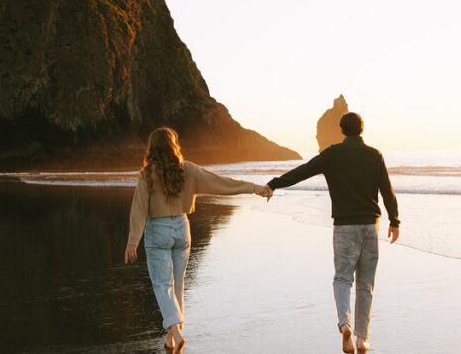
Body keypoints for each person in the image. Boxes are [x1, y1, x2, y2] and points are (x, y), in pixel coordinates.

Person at [262, 112, 400, 354]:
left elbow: (303, 171)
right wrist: (395, 221)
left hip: (345, 226)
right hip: (370, 225)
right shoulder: (374, 154)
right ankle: (362, 340)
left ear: (341, 130)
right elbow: (387, 190)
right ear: (362, 129)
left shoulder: (333, 154)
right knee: (365, 283)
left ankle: (344, 324)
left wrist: (274, 182)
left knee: (343, 278)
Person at [125, 126, 271, 352]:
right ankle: (171, 339)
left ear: (151, 148)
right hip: (182, 228)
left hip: (158, 230)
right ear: (174, 145)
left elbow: (139, 209)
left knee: (163, 285)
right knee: (178, 284)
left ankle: (175, 332)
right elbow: (221, 183)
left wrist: (133, 240)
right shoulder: (188, 169)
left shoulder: (147, 174)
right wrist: (254, 188)